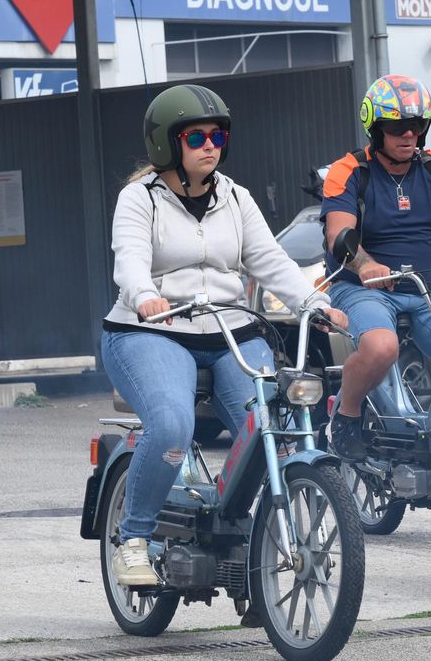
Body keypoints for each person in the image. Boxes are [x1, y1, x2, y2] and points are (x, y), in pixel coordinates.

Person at [100, 83, 348, 587]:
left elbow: (270, 260)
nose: (210, 145)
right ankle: (134, 540)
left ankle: (244, 532)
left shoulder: (236, 197)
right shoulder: (138, 199)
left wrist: (314, 303)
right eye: (196, 137)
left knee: (275, 427)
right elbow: (129, 259)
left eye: (217, 136)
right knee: (172, 425)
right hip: (153, 330)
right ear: (167, 143)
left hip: (229, 330)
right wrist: (145, 294)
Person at [321, 74, 431, 457]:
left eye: (416, 125)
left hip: (424, 291)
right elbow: (339, 233)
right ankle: (346, 415)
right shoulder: (349, 170)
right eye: (397, 126)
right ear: (375, 128)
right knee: (381, 347)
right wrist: (365, 264)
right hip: (362, 290)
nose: (409, 135)